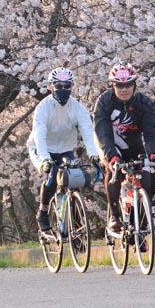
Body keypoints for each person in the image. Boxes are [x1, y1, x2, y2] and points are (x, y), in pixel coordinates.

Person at [26, 67, 102, 234]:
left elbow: (87, 132)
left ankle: (75, 227)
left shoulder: (78, 108)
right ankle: (43, 211)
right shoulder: (43, 108)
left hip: (65, 149)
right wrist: (45, 159)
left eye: (66, 86)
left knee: (73, 179)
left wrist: (94, 155)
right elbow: (39, 135)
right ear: (51, 87)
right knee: (52, 177)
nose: (62, 90)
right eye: (58, 86)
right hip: (41, 149)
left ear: (71, 87)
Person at [93, 63, 155, 241]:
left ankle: (135, 221)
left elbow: (152, 132)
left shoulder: (144, 103)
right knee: (113, 171)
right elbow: (103, 132)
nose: (124, 90)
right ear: (112, 86)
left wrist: (154, 153)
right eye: (119, 86)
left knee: (147, 180)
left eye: (128, 85)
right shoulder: (104, 102)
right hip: (110, 143)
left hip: (134, 145)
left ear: (134, 85)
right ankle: (115, 216)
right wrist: (111, 156)